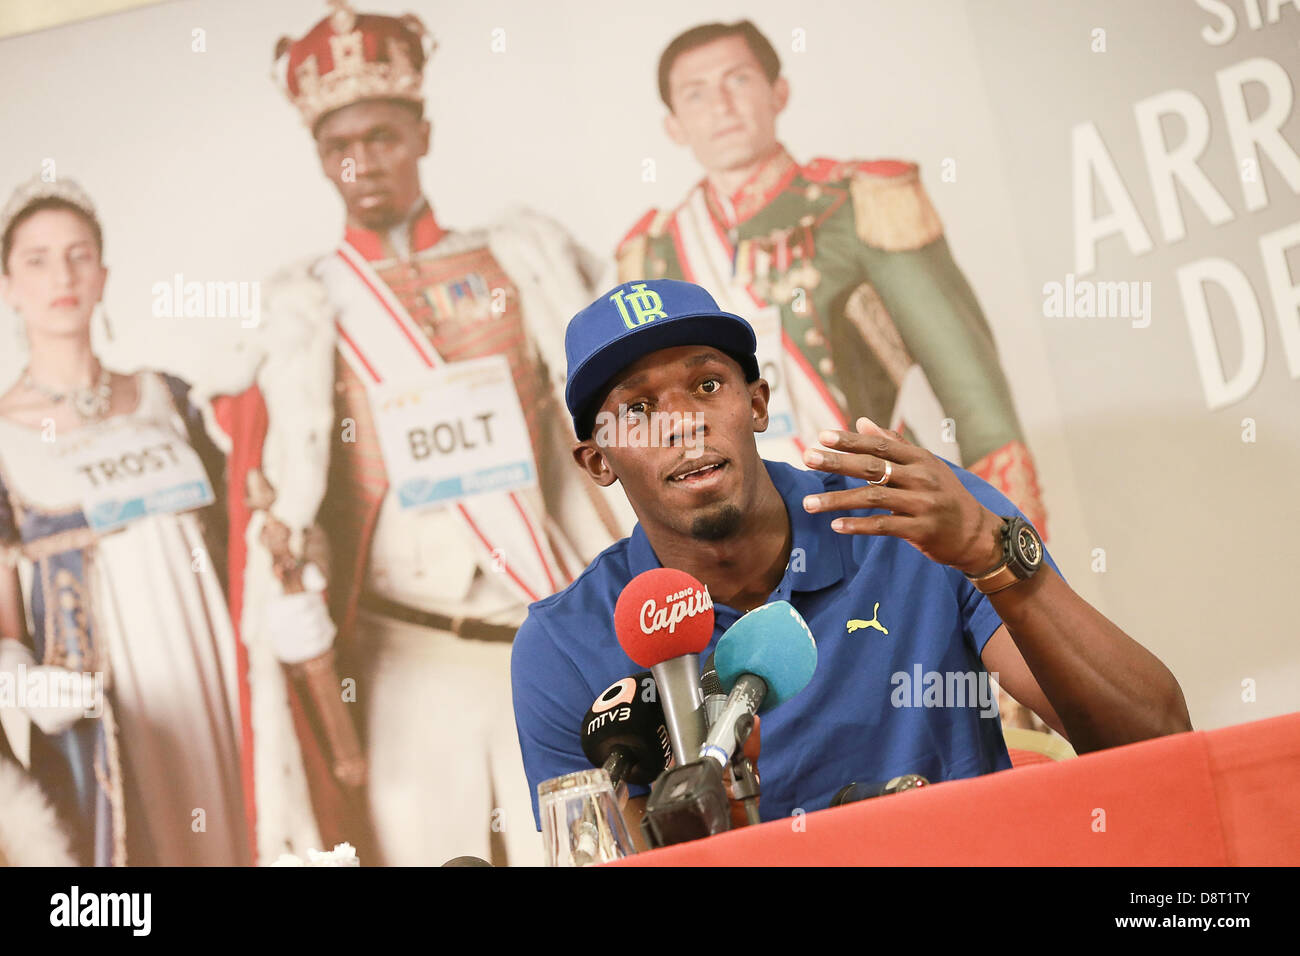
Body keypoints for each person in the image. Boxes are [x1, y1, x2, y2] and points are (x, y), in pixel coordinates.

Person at [510, 278, 1191, 835]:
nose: (684, 421)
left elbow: (1157, 741)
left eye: (708, 386)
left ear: (757, 403)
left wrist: (990, 553)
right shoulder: (565, 645)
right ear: (598, 461)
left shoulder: (916, 518)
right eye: (639, 408)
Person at [207, 0, 623, 865]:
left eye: (383, 137)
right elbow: (286, 484)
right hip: (405, 649)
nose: (362, 163)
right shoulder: (305, 310)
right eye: (338, 146)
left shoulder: (522, 260)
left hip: (542, 623)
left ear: (423, 134)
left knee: (591, 854)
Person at [615, 20, 1049, 540]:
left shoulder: (856, 205)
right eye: (696, 93)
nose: (721, 106)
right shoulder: (654, 256)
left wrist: (1004, 532)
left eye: (738, 81)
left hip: (878, 516)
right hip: (739, 536)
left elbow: (968, 384)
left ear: (779, 92)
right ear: (674, 126)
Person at [0, 176, 254, 865]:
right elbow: (2, 625)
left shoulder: (168, 396)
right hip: (113, 703)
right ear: (8, 283)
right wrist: (18, 679)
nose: (62, 275)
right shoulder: (1, 437)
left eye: (79, 255)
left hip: (215, 665)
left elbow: (240, 535)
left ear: (104, 274)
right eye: (37, 258)